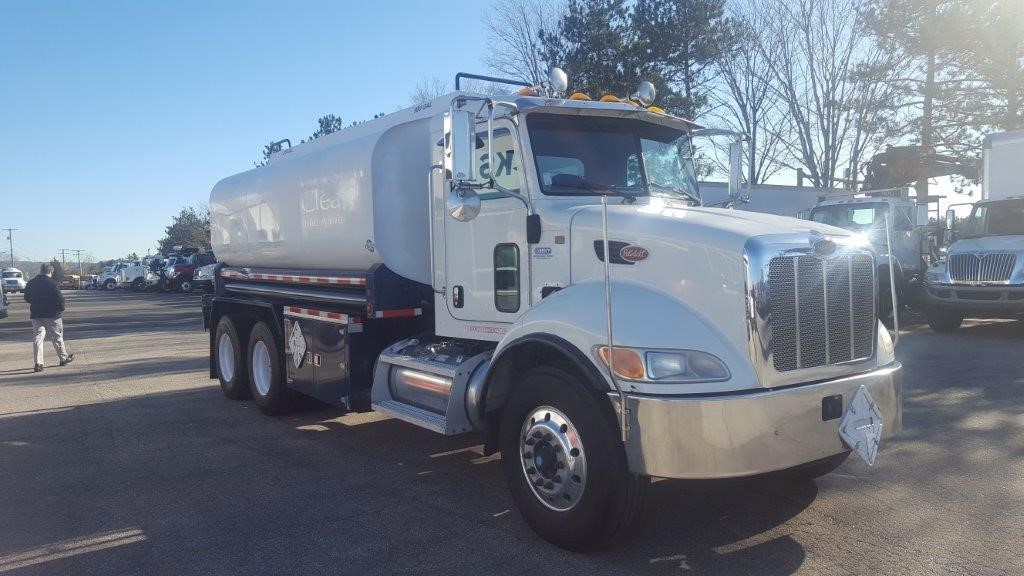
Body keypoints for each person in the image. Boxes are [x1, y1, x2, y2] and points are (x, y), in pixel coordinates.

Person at [23, 263, 75, 372]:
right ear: (50, 272)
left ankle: (38, 363)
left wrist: (36, 303)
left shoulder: (31, 283)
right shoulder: (53, 283)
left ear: (41, 271)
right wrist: (61, 309)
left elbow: (27, 298)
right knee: (57, 337)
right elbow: (60, 300)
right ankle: (63, 358)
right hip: (53, 315)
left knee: (38, 338)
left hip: (37, 314)